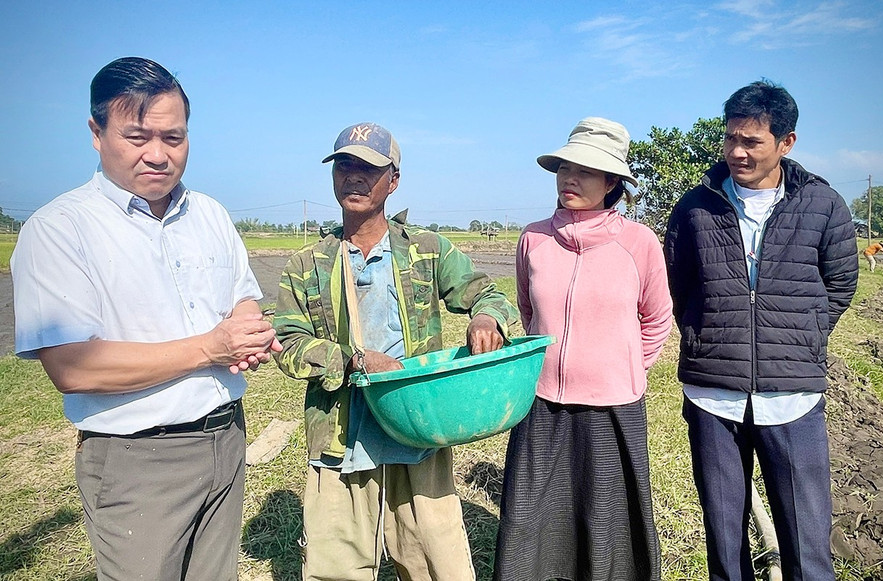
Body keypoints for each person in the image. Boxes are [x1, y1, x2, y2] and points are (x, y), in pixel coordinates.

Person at [11, 57, 281, 580]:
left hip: (226, 440)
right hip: (137, 459)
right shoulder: (60, 230)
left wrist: (248, 329)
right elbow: (73, 367)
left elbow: (241, 299)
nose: (157, 154)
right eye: (138, 136)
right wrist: (210, 347)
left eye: (173, 138)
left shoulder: (210, 215)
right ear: (96, 132)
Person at [273, 122, 518, 580]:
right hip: (342, 434)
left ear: (394, 180)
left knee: (435, 560)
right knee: (336, 566)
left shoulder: (425, 250)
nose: (354, 176)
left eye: (368, 167)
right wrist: (351, 359)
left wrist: (487, 318)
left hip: (418, 430)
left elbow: (488, 295)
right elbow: (286, 341)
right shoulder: (308, 263)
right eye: (344, 165)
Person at [664, 81, 859, 580]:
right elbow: (680, 285)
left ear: (786, 143)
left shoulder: (823, 205)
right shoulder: (693, 209)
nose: (736, 152)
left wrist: (804, 337)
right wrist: (705, 336)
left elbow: (839, 284)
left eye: (751, 142)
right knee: (725, 546)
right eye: (731, 138)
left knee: (807, 545)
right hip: (713, 396)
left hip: (793, 398)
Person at [493, 118, 673, 580]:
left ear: (612, 181)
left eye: (586, 171)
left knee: (606, 521)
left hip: (613, 407)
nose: (570, 179)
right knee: (531, 521)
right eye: (564, 168)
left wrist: (622, 366)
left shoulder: (640, 243)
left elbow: (656, 320)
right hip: (542, 404)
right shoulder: (533, 239)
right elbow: (528, 311)